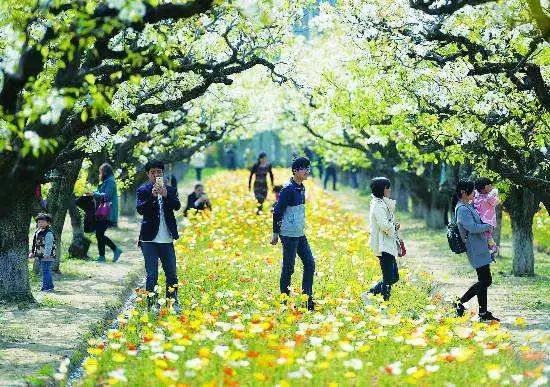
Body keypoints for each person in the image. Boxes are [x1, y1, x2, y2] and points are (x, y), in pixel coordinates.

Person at [136, 160, 181, 312]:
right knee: (152, 275)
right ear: (148, 174)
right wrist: (152, 196)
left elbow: (177, 206)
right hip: (148, 239)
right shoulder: (143, 190)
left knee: (172, 274)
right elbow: (140, 210)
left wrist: (166, 194)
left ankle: (173, 303)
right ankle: (151, 305)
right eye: (153, 172)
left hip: (166, 239)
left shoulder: (170, 189)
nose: (156, 175)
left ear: (163, 173)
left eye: (159, 172)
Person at [271, 157, 315, 311]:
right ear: (295, 171)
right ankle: (284, 300)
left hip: (299, 233)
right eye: (304, 168)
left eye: (308, 168)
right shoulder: (287, 189)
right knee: (289, 268)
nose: (307, 171)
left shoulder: (301, 187)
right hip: (288, 235)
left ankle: (307, 299)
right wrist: (275, 233)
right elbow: (277, 211)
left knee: (310, 263)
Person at [453, 179, 500, 322]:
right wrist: (488, 226)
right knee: (486, 280)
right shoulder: (461, 209)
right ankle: (460, 302)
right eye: (472, 190)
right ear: (463, 192)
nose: (474, 192)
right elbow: (472, 227)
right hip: (475, 247)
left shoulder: (467, 205)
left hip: (480, 245)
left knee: (483, 280)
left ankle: (483, 313)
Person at [363, 177, 400, 302]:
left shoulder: (381, 202)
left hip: (387, 243)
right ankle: (383, 301)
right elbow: (384, 225)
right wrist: (394, 226)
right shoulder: (378, 205)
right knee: (389, 278)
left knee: (394, 277)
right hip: (383, 245)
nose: (390, 190)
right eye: (388, 187)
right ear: (383, 189)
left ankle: (371, 293)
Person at [92, 163, 122, 263]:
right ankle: (104, 255)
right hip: (102, 212)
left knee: (99, 233)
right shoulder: (105, 182)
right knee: (99, 234)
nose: (100, 173)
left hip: (107, 212)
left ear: (105, 172)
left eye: (101, 171)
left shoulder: (110, 182)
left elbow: (107, 196)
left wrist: (94, 194)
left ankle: (112, 251)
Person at [29, 213, 56, 292]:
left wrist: (47, 255)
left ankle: (46, 288)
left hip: (47, 255)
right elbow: (35, 243)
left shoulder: (48, 233)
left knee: (45, 271)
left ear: (48, 223)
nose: (40, 223)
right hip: (41, 255)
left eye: (43, 222)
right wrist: (33, 252)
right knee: (46, 270)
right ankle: (50, 286)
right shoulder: (38, 231)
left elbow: (49, 245)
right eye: (39, 222)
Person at [473, 177, 500, 258]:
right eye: (489, 185)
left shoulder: (481, 195)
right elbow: (496, 202)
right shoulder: (483, 196)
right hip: (483, 221)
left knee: (487, 236)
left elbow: (495, 202)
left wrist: (490, 195)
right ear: (484, 188)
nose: (491, 187)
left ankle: (491, 248)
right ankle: (491, 248)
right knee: (485, 236)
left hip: (483, 221)